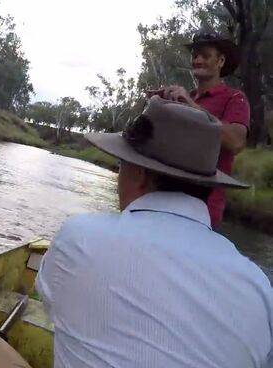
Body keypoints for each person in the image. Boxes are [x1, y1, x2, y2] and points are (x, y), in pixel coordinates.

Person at [35, 96, 272, 367]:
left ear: (138, 173)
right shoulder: (259, 288)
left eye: (122, 163)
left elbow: (51, 303)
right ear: (208, 185)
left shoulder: (78, 236)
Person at [155, 30, 250, 229]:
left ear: (221, 61)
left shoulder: (235, 98)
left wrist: (191, 106)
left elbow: (235, 142)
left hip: (204, 210)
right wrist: (160, 106)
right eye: (195, 56)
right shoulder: (185, 98)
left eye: (205, 55)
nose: (197, 60)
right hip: (165, 200)